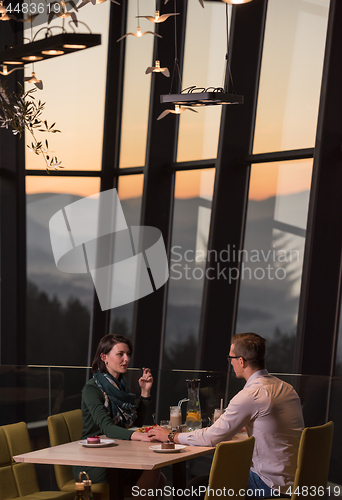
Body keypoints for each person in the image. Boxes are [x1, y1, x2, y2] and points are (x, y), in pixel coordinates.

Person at [148, 332, 304, 498]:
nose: (230, 363)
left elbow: (212, 437)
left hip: (268, 485)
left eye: (231, 358)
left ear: (241, 361)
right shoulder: (287, 388)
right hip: (295, 481)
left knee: (196, 487)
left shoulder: (251, 395)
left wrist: (172, 435)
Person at [73, 334, 165, 495]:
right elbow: (108, 428)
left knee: (160, 478)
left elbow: (133, 423)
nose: (126, 359)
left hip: (116, 452)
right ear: (104, 357)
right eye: (120, 354)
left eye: (128, 354)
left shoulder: (120, 388)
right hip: (93, 460)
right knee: (152, 471)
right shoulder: (92, 389)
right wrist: (140, 435)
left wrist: (145, 392)